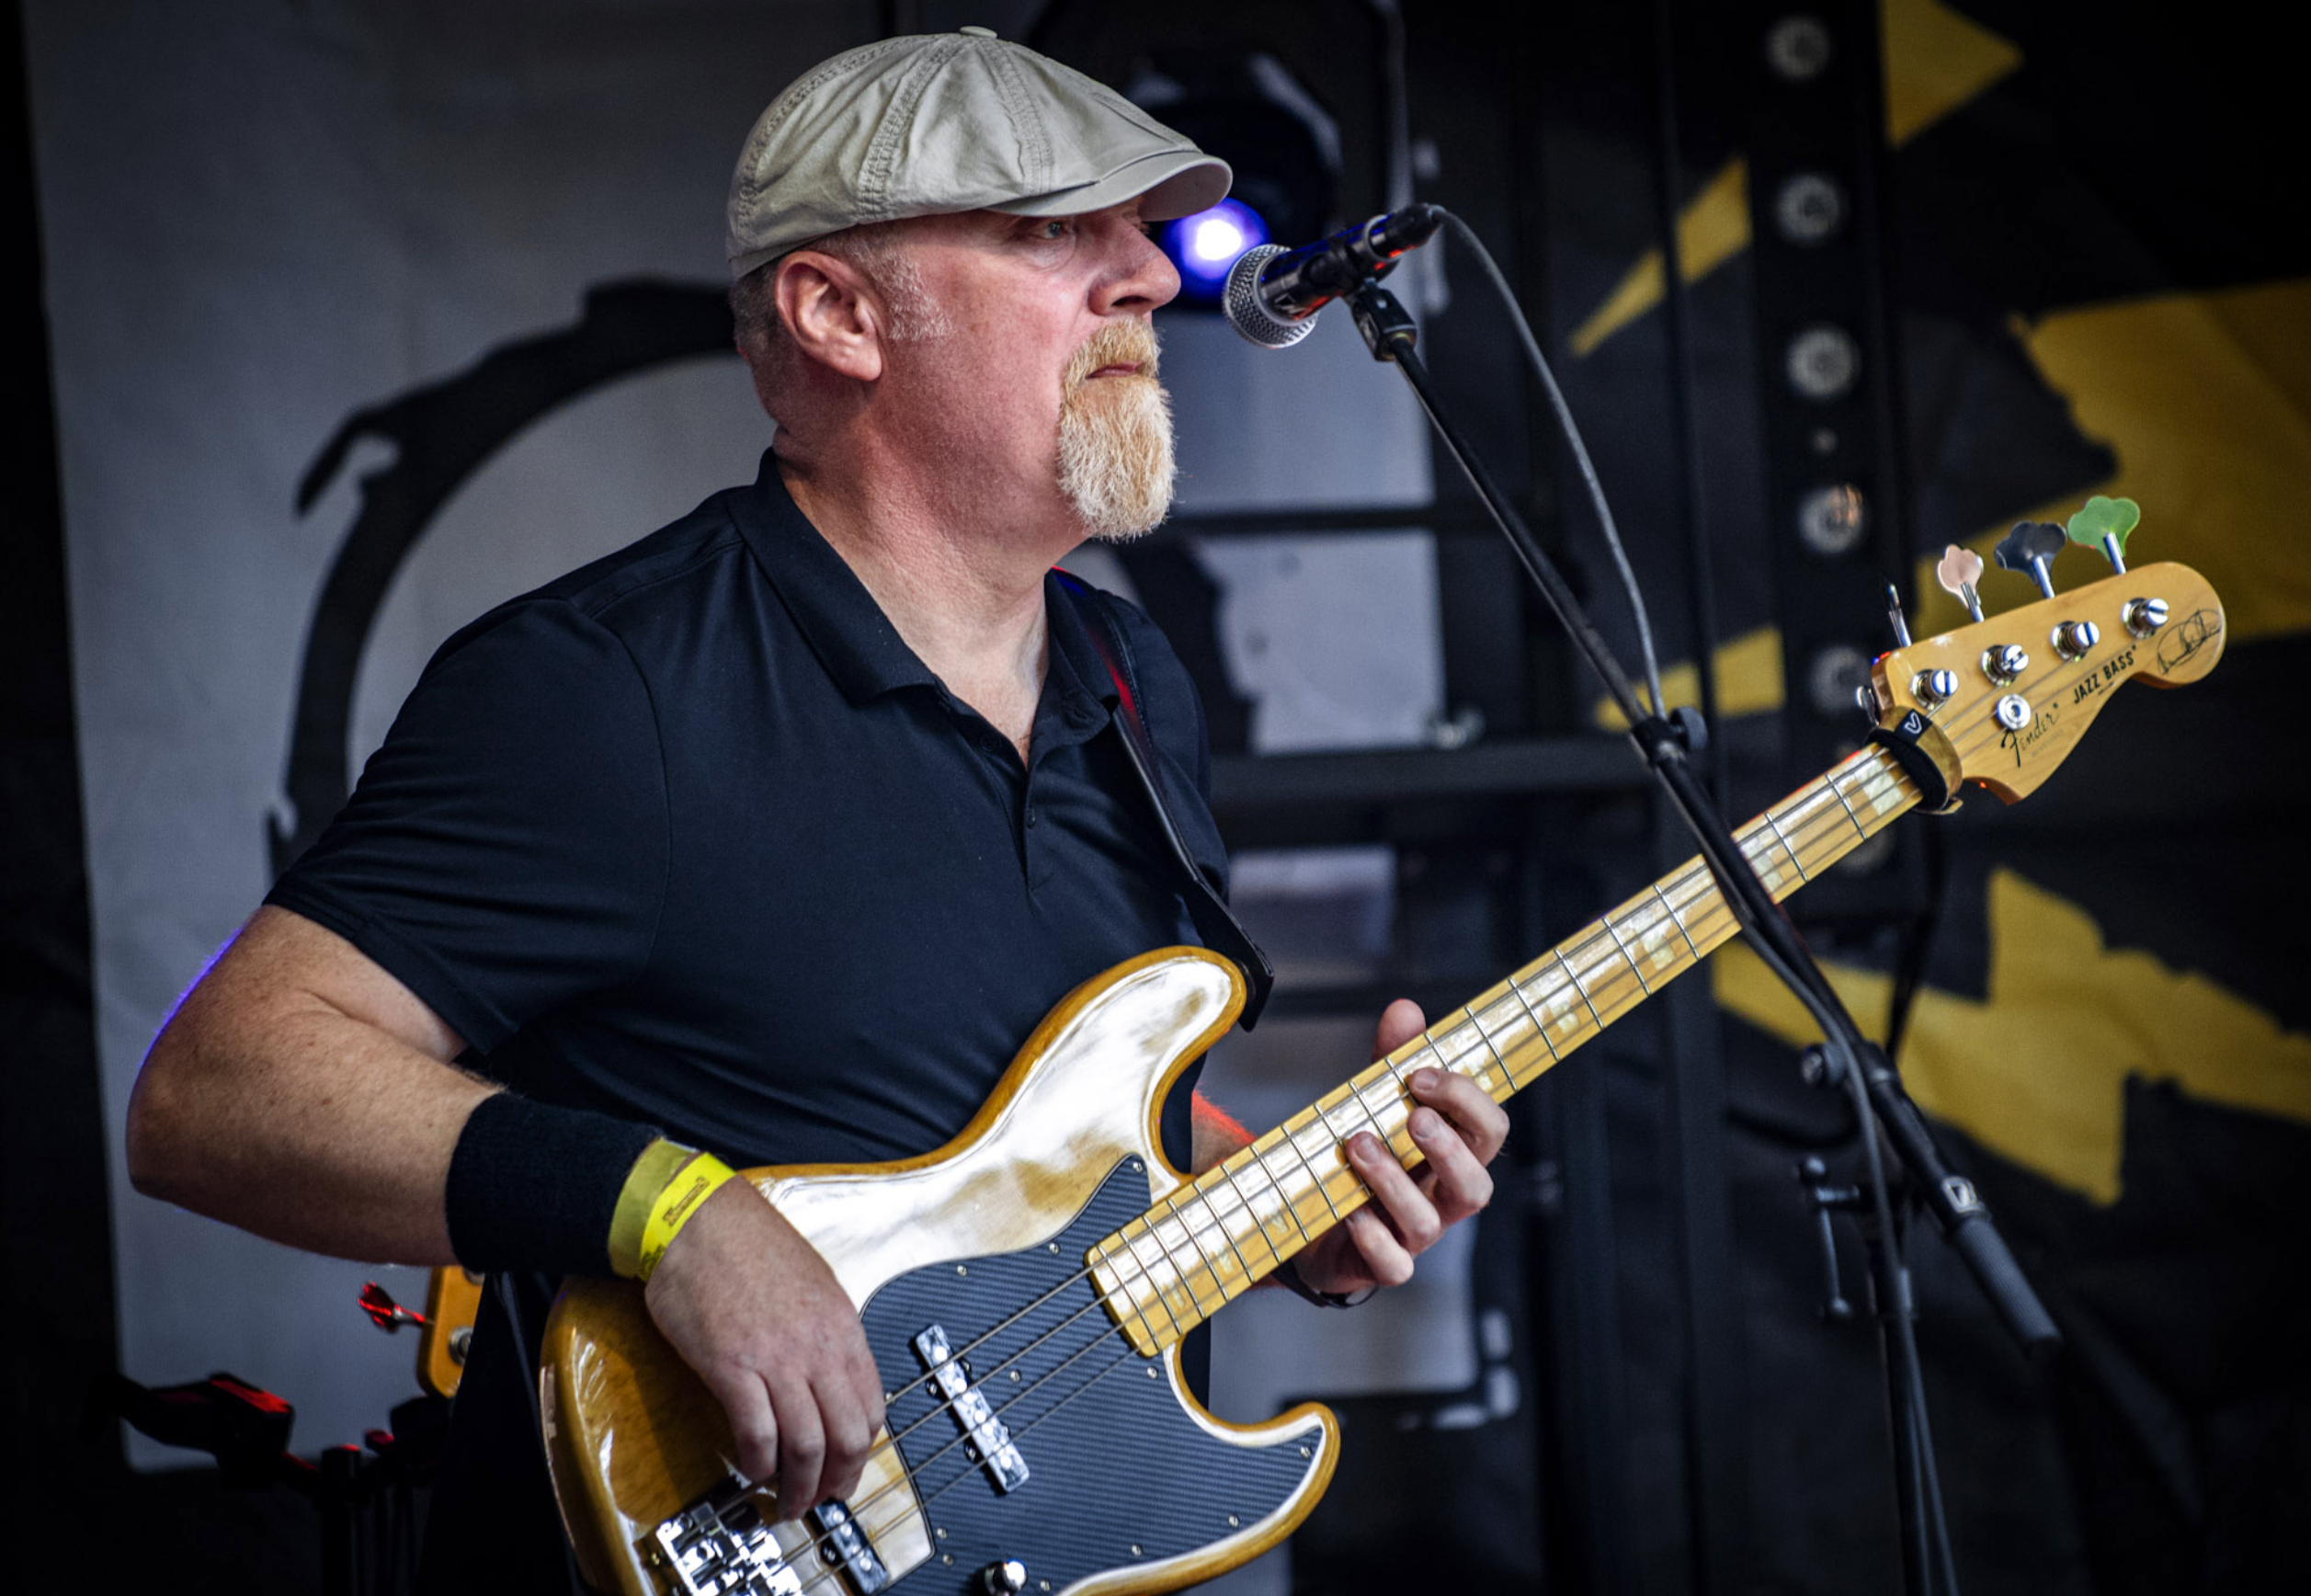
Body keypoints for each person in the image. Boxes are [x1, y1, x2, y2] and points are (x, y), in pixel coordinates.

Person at [126, 28, 1508, 1590]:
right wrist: (671, 1213)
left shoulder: (1132, 679)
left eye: (1137, 230)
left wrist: (1283, 1205)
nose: (1141, 274)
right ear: (838, 313)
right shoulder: (610, 686)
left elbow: (1026, 1119)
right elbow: (214, 1093)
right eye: (1051, 230)